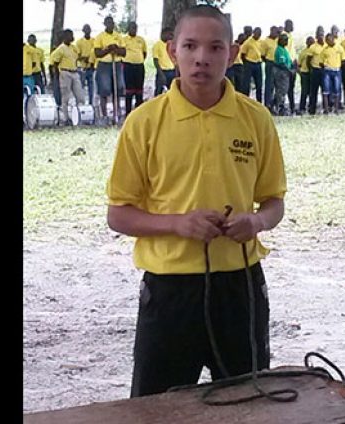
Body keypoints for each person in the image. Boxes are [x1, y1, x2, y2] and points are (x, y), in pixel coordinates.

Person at [106, 4, 286, 398]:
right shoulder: (145, 123)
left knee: (248, 402)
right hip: (170, 290)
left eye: (215, 47)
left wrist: (255, 222)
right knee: (156, 407)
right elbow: (118, 215)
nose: (201, 58)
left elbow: (274, 202)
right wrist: (177, 223)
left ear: (232, 53)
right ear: (172, 52)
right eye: (190, 46)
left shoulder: (256, 119)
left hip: (240, 286)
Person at [94, 16, 126, 123]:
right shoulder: (100, 37)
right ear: (104, 24)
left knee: (118, 88)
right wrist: (108, 49)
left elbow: (124, 52)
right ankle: (104, 115)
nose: (110, 25)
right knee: (104, 90)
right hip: (104, 65)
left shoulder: (118, 36)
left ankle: (117, 114)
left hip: (116, 63)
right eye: (108, 23)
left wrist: (116, 48)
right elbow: (97, 53)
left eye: (112, 23)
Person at [51, 29, 86, 124]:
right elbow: (55, 63)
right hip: (65, 72)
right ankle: (65, 118)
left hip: (75, 72)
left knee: (80, 95)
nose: (72, 37)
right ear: (65, 37)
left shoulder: (74, 47)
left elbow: (77, 57)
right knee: (65, 97)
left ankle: (80, 116)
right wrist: (57, 76)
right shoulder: (60, 49)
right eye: (70, 35)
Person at [122, 22, 147, 116]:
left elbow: (144, 53)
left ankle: (139, 112)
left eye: (135, 28)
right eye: (132, 28)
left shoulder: (141, 40)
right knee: (129, 90)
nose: (134, 29)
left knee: (139, 90)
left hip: (139, 66)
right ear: (128, 28)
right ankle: (128, 113)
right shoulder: (124, 40)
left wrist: (138, 59)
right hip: (128, 66)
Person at [320, 33, 345, 114]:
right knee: (326, 90)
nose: (328, 41)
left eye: (329, 40)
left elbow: (343, 59)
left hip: (337, 71)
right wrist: (326, 66)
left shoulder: (339, 48)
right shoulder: (324, 49)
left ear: (333, 39)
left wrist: (338, 65)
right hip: (327, 71)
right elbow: (321, 62)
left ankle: (336, 109)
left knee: (337, 90)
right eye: (326, 40)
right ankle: (326, 109)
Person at [271, 33, 293, 116]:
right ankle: (279, 107)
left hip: (285, 73)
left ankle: (275, 106)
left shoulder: (284, 50)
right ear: (281, 41)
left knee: (283, 90)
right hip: (281, 73)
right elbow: (281, 63)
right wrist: (290, 71)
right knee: (281, 90)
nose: (287, 41)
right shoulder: (279, 50)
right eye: (285, 40)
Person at [240, 27, 263, 102]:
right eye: (257, 33)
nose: (258, 35)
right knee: (246, 84)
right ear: (254, 33)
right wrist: (246, 63)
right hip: (249, 63)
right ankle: (245, 101)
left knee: (259, 84)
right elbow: (242, 54)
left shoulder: (261, 42)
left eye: (260, 34)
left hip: (258, 63)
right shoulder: (248, 42)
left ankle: (259, 102)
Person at [76, 24, 96, 105]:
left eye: (89, 29)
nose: (87, 31)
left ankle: (91, 103)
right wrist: (84, 58)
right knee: (81, 87)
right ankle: (82, 103)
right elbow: (77, 56)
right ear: (83, 31)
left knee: (92, 87)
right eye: (86, 29)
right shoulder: (79, 42)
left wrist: (91, 60)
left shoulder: (94, 41)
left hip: (91, 67)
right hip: (82, 68)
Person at [152, 28, 176, 96]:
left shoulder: (172, 45)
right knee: (158, 92)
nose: (172, 36)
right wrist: (161, 74)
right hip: (162, 72)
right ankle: (157, 106)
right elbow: (155, 61)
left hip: (171, 71)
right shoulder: (158, 45)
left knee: (172, 92)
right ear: (164, 34)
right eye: (170, 34)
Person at [306, 32, 325, 115]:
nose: (321, 37)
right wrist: (311, 69)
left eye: (322, 34)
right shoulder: (313, 47)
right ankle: (312, 109)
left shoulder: (326, 46)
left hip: (324, 71)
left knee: (325, 90)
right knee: (313, 91)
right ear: (316, 36)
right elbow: (308, 60)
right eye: (319, 35)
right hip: (315, 70)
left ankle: (326, 108)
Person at [261, 26, 279, 108]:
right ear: (271, 31)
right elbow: (262, 55)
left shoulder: (278, 40)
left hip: (278, 64)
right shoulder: (265, 41)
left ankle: (275, 104)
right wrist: (269, 61)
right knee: (269, 84)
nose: (277, 33)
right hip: (270, 63)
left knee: (278, 84)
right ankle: (268, 104)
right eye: (276, 32)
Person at [282, 19, 297, 114]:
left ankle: (292, 107)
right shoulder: (283, 36)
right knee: (284, 87)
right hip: (286, 64)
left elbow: (292, 50)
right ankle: (281, 106)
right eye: (291, 25)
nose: (292, 27)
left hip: (292, 63)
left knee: (291, 87)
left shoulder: (291, 36)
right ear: (286, 25)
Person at [297, 36, 314, 115]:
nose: (311, 43)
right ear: (306, 43)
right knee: (304, 91)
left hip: (313, 73)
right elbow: (298, 64)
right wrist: (300, 73)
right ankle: (302, 107)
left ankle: (311, 107)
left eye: (312, 41)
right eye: (309, 41)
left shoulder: (315, 50)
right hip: (305, 73)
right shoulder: (303, 52)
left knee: (312, 91)